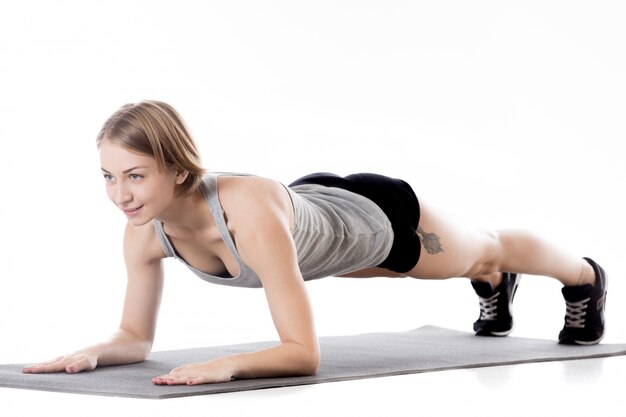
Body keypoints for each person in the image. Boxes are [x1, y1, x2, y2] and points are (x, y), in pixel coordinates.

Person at [22, 100, 608, 386]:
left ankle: (583, 276)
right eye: (108, 176)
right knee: (472, 264)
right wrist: (95, 352)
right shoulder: (143, 235)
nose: (120, 194)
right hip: (316, 229)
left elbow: (303, 353)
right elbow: (134, 335)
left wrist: (224, 366)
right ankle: (492, 287)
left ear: (177, 169)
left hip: (374, 220)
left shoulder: (243, 210)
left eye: (135, 175)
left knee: (487, 248)